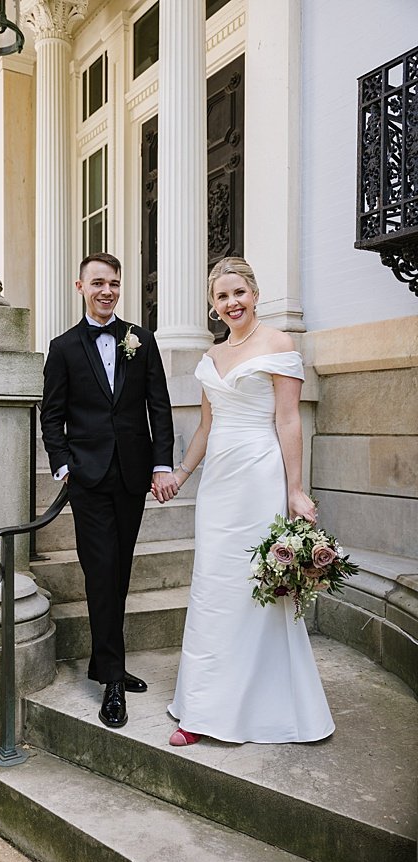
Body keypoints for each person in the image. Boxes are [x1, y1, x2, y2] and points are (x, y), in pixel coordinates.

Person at [166, 257, 334, 746]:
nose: (231, 303)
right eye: (221, 297)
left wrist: (295, 489)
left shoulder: (280, 344)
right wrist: (180, 474)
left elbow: (288, 421)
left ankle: (253, 709)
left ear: (255, 293)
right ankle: (201, 704)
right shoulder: (212, 357)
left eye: (238, 292)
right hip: (219, 484)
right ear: (213, 307)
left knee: (253, 590)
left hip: (261, 477)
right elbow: (205, 426)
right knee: (212, 591)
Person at [41, 252, 177, 729]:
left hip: (133, 475)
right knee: (100, 571)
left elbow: (157, 406)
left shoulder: (141, 339)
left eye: (114, 283)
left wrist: (162, 465)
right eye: (98, 282)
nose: (108, 290)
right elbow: (51, 414)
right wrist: (63, 467)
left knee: (119, 572)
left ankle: (106, 662)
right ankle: (113, 681)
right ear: (80, 287)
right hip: (88, 479)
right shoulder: (62, 348)